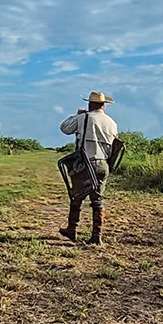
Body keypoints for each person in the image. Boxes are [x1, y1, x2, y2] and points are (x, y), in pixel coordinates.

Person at [58, 91, 118, 245]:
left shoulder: (83, 118)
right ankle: (96, 236)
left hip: (85, 163)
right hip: (103, 164)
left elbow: (64, 128)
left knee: (76, 197)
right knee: (98, 200)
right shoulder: (112, 122)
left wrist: (76, 115)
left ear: (90, 104)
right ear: (104, 105)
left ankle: (72, 229)